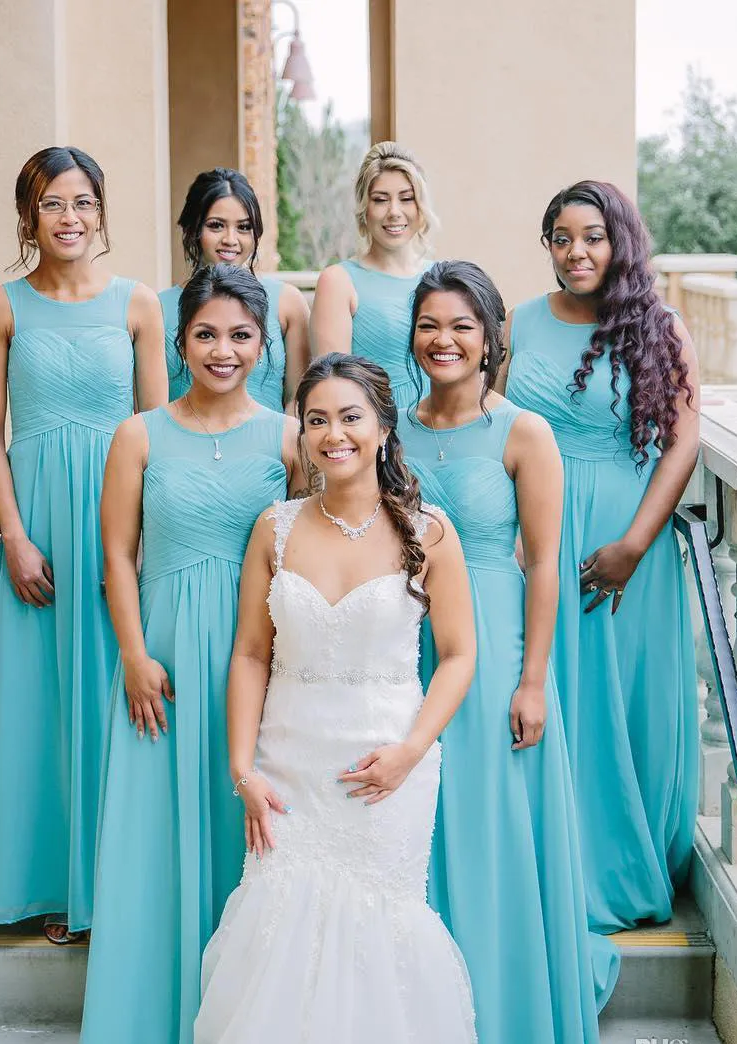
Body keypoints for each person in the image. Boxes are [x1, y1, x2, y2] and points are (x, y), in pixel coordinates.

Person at [195, 353, 478, 1043]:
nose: (333, 434)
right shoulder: (276, 527)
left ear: (382, 426)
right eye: (316, 420)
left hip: (386, 764)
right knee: (277, 926)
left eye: (350, 417)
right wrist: (244, 772)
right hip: (286, 763)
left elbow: (460, 655)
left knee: (379, 930)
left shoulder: (428, 531)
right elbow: (251, 653)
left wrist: (412, 753)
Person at [80, 264, 305, 1044]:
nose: (223, 349)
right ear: (180, 343)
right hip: (164, 666)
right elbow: (116, 557)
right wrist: (134, 655)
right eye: (206, 334)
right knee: (157, 844)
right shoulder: (138, 435)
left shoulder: (287, 436)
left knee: (247, 835)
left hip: (260, 666)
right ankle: (151, 1015)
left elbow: (309, 551)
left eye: (240, 335)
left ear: (264, 345)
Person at [402, 260, 619, 1042]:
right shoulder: (390, 426)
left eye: (462, 326)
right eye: (429, 325)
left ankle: (505, 994)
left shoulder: (524, 432)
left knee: (491, 814)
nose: (444, 340)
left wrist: (533, 681)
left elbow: (545, 566)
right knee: (423, 817)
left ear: (493, 337)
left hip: (495, 647)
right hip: (409, 645)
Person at [0, 145, 165, 943]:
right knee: (39, 700)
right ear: (28, 217)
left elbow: (157, 433)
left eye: (82, 203)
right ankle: (47, 883)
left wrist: (147, 543)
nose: (69, 218)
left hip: (118, 521)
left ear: (101, 213)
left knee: (114, 695)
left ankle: (113, 883)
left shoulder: (138, 305)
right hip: (38, 521)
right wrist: (13, 533)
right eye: (52, 204)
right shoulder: (0, 304)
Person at [501, 181, 700, 932]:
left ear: (620, 242)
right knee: (545, 693)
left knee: (618, 703)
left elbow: (683, 440)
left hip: (622, 540)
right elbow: (493, 426)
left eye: (591, 236)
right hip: (533, 538)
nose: (576, 252)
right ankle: (549, 862)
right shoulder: (519, 322)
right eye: (561, 237)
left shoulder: (659, 325)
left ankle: (617, 864)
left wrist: (635, 546)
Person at [160, 168, 310, 411]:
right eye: (217, 225)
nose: (231, 239)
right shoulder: (158, 309)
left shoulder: (287, 303)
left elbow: (297, 399)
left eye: (243, 227)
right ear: (193, 229)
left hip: (268, 446)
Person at [310, 142, 434, 409]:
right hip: (378, 432)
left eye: (406, 198)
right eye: (380, 199)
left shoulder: (440, 276)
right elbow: (332, 387)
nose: (394, 212)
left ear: (420, 205)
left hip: (442, 428)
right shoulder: (338, 281)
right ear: (364, 209)